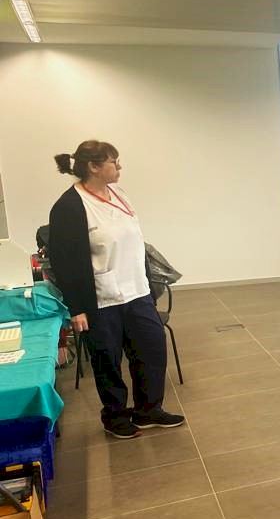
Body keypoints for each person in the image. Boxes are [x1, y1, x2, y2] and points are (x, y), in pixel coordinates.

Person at [47, 140, 185, 439]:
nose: (119, 166)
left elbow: (135, 243)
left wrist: (148, 286)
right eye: (114, 161)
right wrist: (77, 308)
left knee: (151, 350)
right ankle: (115, 417)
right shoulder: (69, 207)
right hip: (101, 299)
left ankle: (149, 410)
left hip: (137, 292)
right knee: (107, 361)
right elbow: (64, 261)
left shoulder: (119, 194)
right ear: (94, 167)